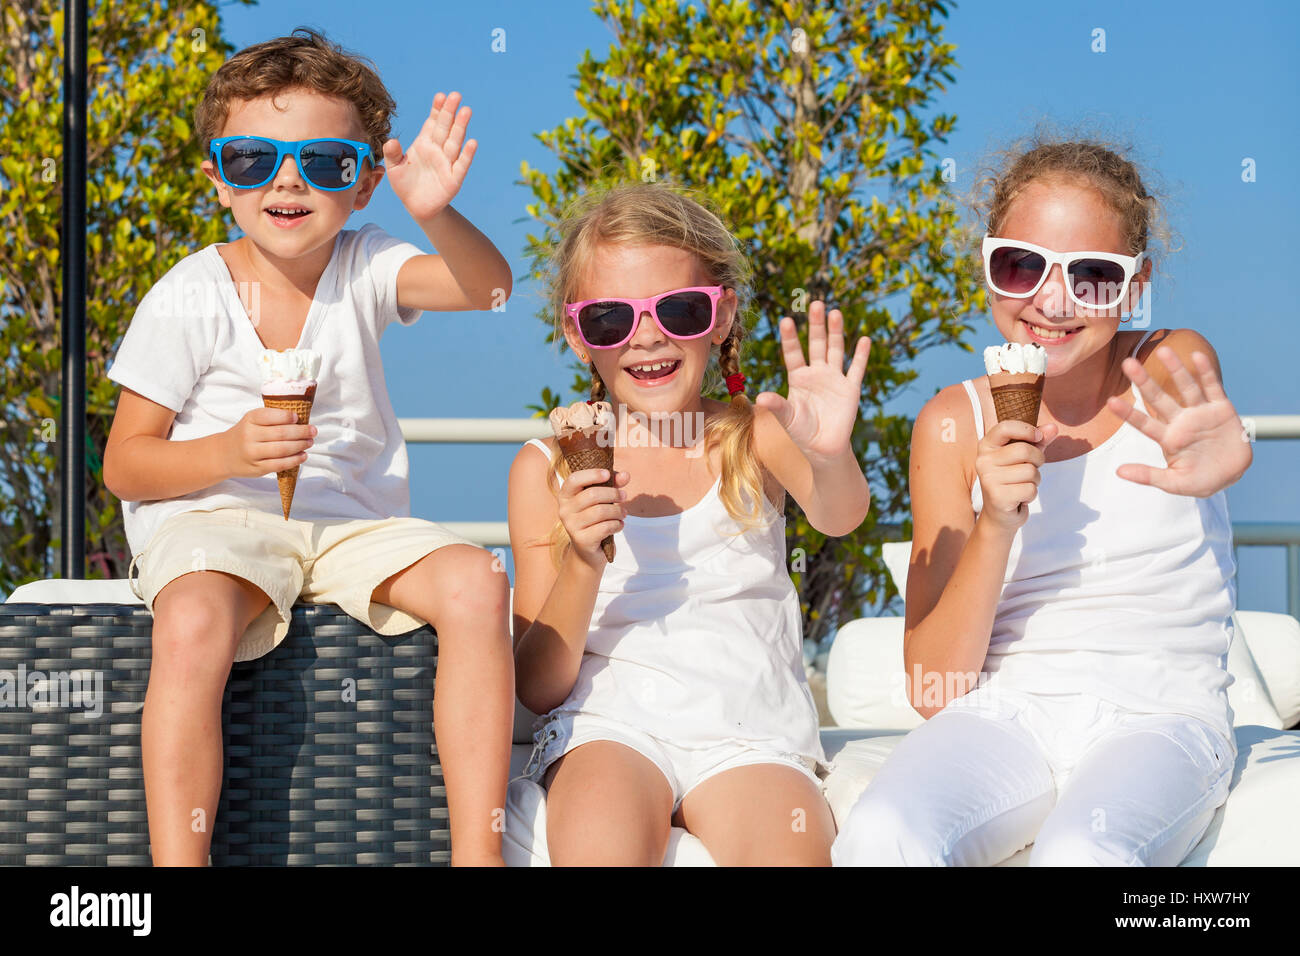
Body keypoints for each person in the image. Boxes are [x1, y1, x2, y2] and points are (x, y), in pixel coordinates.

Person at [102, 29, 514, 866]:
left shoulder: (368, 265)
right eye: (255, 158)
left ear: (364, 185)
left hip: (349, 526)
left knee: (477, 581)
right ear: (218, 178)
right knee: (189, 619)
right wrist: (228, 450)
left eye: (324, 161)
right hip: (215, 518)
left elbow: (492, 288)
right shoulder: (189, 294)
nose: (288, 180)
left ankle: (481, 853)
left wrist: (433, 213)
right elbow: (125, 463)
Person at [832, 138, 1252, 866]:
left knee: (1084, 851)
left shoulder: (1167, 365)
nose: (1052, 301)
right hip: (1003, 713)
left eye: (1092, 275)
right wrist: (997, 519)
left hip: (1160, 715)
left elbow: (1202, 407)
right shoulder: (951, 423)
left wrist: (1221, 453)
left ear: (1135, 284)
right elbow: (938, 688)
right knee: (879, 835)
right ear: (988, 265)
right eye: (1020, 265)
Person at [507, 182, 871, 865]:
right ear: (578, 334)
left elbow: (839, 515)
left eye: (678, 310)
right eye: (612, 318)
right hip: (608, 725)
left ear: (722, 315)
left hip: (748, 726)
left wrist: (830, 455)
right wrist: (584, 561)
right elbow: (537, 682)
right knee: (599, 845)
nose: (647, 336)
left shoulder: (755, 432)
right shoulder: (545, 469)